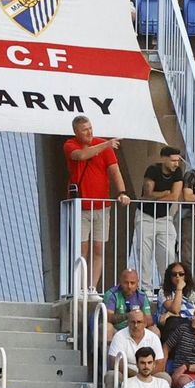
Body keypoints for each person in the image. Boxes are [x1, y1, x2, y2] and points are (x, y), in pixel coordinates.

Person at [65, 115, 132, 296]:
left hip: (102, 206)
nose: (89, 132)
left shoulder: (103, 145)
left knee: (98, 248)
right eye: (84, 130)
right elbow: (81, 155)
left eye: (90, 128)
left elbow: (115, 171)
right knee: (82, 250)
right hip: (81, 207)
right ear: (76, 132)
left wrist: (122, 192)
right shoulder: (70, 145)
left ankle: (92, 287)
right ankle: (79, 288)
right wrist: (107, 144)